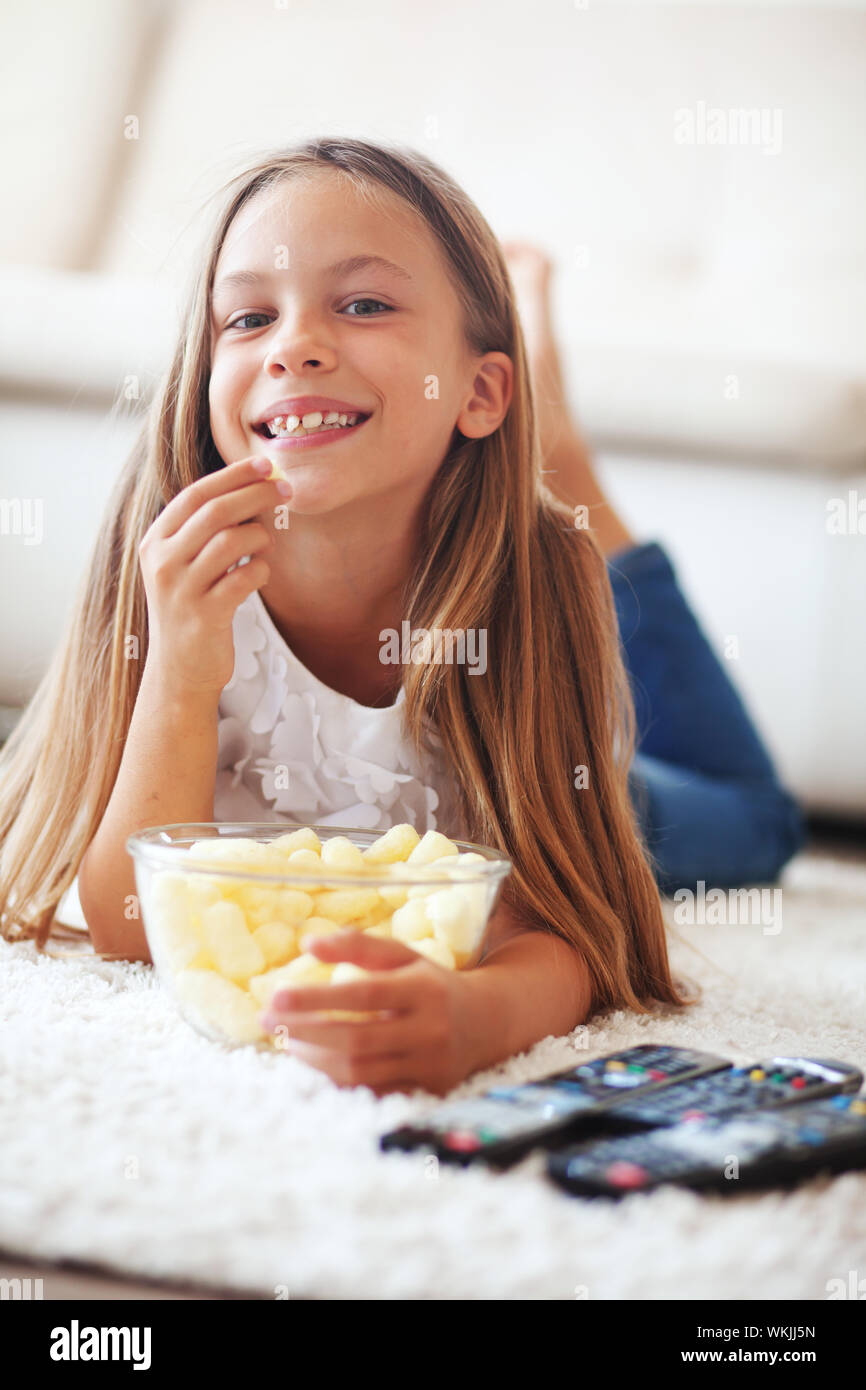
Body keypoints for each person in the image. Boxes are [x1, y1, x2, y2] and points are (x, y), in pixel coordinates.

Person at [0, 137, 796, 1097]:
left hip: (563, 778)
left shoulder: (537, 584)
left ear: (478, 390)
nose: (293, 344)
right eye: (248, 317)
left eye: (365, 304)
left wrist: (478, 1018)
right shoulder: (170, 563)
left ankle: (566, 457)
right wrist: (181, 667)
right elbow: (130, 927)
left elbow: (576, 929)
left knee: (753, 819)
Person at [501, 242, 805, 893]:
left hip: (539, 778)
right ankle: (567, 473)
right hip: (533, 791)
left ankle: (566, 472)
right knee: (759, 818)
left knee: (730, 806)